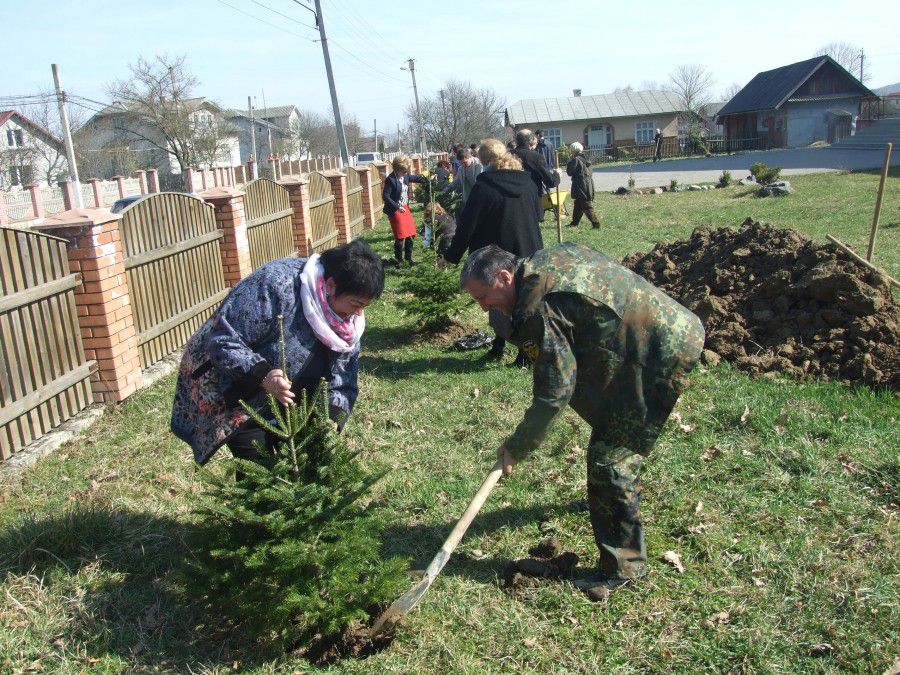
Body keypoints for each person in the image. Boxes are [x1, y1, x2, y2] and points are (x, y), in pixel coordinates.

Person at [458, 243, 705, 599]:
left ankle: (624, 569)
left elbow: (554, 392)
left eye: (484, 296)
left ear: (505, 276)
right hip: (659, 326)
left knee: (609, 461)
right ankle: (619, 507)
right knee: (611, 437)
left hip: (658, 350)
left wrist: (517, 446)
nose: (484, 307)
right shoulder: (541, 262)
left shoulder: (540, 307)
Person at [171, 240, 385, 467]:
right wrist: (263, 375)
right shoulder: (275, 283)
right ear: (331, 285)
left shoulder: (348, 324)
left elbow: (344, 378)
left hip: (294, 400)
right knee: (260, 466)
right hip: (238, 391)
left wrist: (333, 418)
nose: (358, 313)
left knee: (303, 464)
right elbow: (223, 340)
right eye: (355, 303)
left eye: (365, 306)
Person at [439, 138, 543, 365]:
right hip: (528, 249)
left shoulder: (484, 187)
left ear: (483, 161)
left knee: (497, 300)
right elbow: (540, 214)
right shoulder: (528, 183)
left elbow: (467, 226)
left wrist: (451, 255)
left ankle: (519, 350)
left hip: (496, 255)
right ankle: (504, 345)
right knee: (524, 300)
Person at [383, 155, 428, 266]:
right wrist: (397, 207)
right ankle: (399, 260)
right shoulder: (390, 180)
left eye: (406, 171)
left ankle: (408, 259)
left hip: (405, 208)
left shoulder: (406, 176)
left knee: (411, 233)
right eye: (403, 171)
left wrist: (428, 179)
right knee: (400, 236)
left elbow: (417, 178)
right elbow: (385, 196)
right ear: (397, 169)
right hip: (395, 210)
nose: (405, 173)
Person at [512, 129, 559, 195]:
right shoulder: (535, 157)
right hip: (531, 196)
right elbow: (551, 182)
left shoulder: (507, 155)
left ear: (517, 141)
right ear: (529, 141)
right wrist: (557, 173)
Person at [565, 142, 600, 229]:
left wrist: (569, 162)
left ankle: (596, 224)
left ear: (573, 151)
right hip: (587, 183)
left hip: (580, 185)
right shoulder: (586, 159)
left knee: (586, 205)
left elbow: (570, 172)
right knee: (578, 205)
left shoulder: (576, 160)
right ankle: (574, 223)